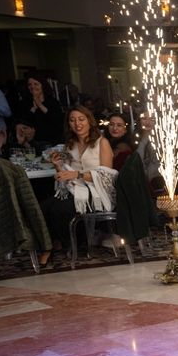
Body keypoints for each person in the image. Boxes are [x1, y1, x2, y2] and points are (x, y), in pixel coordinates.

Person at [39, 106, 116, 266]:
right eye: (72, 120)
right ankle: (49, 246)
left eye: (81, 119)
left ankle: (70, 244)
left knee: (60, 208)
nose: (77, 124)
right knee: (44, 206)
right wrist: (58, 166)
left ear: (89, 121)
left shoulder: (102, 142)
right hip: (75, 188)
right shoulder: (70, 145)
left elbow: (107, 175)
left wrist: (78, 175)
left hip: (98, 192)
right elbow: (67, 174)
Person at [24, 75, 62, 146]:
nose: (32, 87)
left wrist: (39, 104)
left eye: (36, 84)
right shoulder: (25, 103)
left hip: (53, 142)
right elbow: (25, 122)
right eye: (29, 84)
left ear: (43, 85)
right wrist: (33, 109)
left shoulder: (53, 102)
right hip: (34, 143)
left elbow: (57, 121)